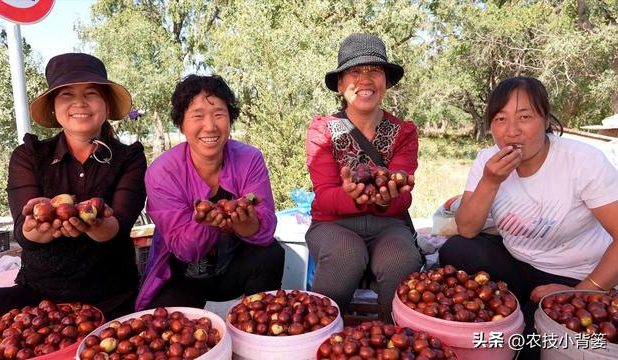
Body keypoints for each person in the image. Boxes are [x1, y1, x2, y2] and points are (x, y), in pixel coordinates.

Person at [439, 76, 618, 358]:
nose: (512, 131)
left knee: (532, 347)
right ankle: (519, 306)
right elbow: (468, 228)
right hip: (517, 263)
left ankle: (530, 315)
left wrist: (582, 293)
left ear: (546, 119)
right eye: (500, 119)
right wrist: (490, 181)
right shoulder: (488, 160)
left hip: (574, 275)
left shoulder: (582, 161)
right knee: (457, 249)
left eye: (525, 117)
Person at [0, 53, 147, 322]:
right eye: (66, 94)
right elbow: (24, 231)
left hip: (111, 297)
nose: (79, 102)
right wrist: (37, 229)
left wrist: (97, 224)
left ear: (105, 104)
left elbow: (119, 226)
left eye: (91, 93)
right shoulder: (29, 155)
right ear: (54, 107)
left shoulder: (129, 158)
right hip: (39, 297)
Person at [135, 75, 284, 310]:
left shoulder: (250, 159)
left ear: (230, 118)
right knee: (169, 333)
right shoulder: (162, 172)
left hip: (231, 270)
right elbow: (184, 250)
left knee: (271, 254)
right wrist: (207, 225)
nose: (210, 126)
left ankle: (260, 326)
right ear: (181, 123)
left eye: (219, 114)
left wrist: (248, 223)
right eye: (197, 115)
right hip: (182, 277)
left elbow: (265, 232)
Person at [305, 33, 423, 321]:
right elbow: (324, 195)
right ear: (341, 85)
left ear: (386, 82)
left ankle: (392, 340)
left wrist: (389, 196)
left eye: (374, 71)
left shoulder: (404, 132)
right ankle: (320, 337)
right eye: (354, 71)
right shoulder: (322, 130)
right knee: (345, 255)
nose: (365, 79)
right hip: (333, 225)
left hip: (388, 225)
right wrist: (351, 196)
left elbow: (402, 196)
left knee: (402, 259)